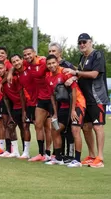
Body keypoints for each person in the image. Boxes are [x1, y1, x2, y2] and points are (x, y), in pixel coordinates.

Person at [63, 33, 109, 168]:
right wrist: (74, 78)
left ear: (90, 42)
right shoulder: (82, 57)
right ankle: (92, 155)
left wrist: (75, 73)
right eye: (80, 43)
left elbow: (94, 74)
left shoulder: (97, 55)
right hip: (85, 98)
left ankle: (100, 158)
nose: (82, 45)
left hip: (97, 97)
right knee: (86, 127)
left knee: (97, 126)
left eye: (84, 42)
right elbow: (81, 74)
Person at [45, 54, 86, 167]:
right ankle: (58, 158)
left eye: (53, 63)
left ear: (57, 62)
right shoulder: (48, 77)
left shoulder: (64, 72)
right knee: (55, 128)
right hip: (63, 106)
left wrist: (73, 110)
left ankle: (77, 160)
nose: (51, 65)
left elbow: (73, 91)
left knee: (75, 129)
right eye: (49, 63)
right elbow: (52, 96)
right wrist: (55, 114)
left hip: (78, 103)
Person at [48, 42, 75, 162]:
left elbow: (77, 75)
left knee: (69, 130)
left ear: (60, 53)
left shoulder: (67, 67)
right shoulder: (49, 67)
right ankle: (59, 155)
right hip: (58, 104)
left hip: (70, 103)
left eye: (54, 51)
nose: (51, 53)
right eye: (50, 51)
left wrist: (74, 77)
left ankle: (70, 156)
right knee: (57, 129)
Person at [0, 60, 25, 158]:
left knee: (23, 127)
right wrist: (10, 115)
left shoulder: (13, 77)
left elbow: (21, 93)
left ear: (5, 68)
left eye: (1, 68)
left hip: (23, 105)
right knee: (10, 126)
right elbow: (6, 99)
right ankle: (13, 151)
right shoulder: (1, 82)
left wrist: (24, 110)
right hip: (15, 106)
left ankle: (25, 151)